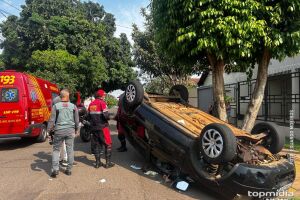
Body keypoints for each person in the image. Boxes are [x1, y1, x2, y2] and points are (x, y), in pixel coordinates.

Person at [47, 89, 79, 178]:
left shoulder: (56, 106)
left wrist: (48, 131)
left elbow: (52, 120)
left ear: (60, 96)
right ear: (68, 96)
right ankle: (69, 170)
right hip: (70, 131)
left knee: (56, 150)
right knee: (70, 150)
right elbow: (77, 120)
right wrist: (77, 129)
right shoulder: (73, 106)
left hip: (59, 131)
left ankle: (55, 169)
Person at [88, 89, 114, 168]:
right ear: (101, 95)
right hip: (103, 127)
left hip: (94, 128)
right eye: (104, 95)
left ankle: (97, 163)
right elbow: (106, 115)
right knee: (108, 144)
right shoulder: (102, 103)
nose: (104, 96)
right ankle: (108, 163)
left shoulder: (91, 104)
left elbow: (88, 116)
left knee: (97, 145)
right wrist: (109, 117)